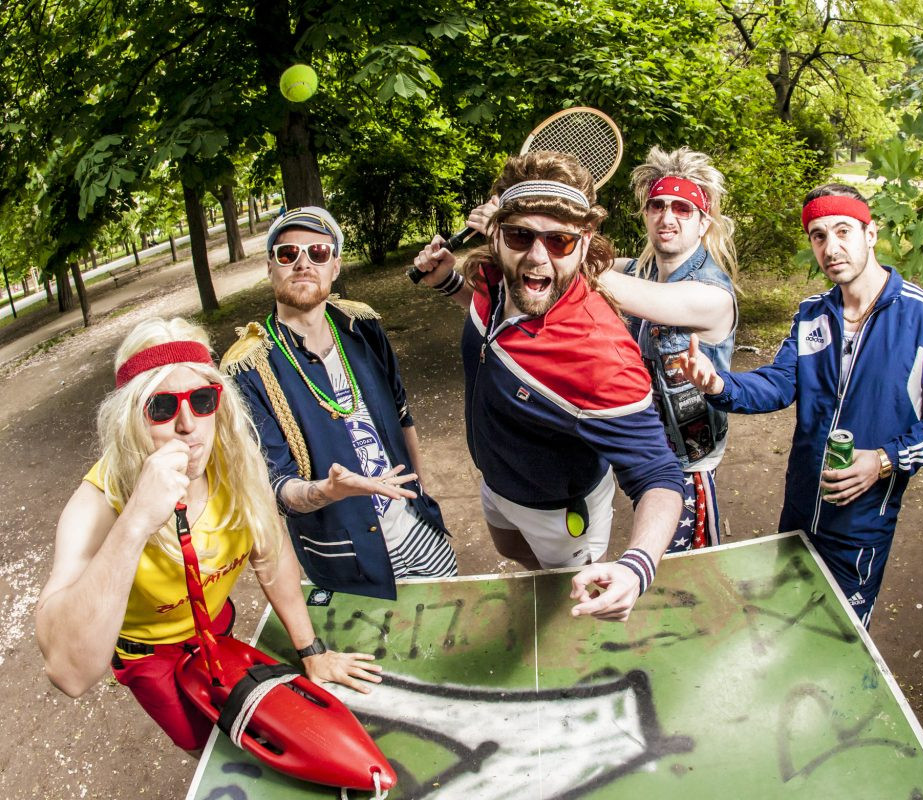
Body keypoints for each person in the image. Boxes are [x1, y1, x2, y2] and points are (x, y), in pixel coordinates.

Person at [36, 317, 382, 754]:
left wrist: (311, 650)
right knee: (204, 748)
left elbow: (271, 554)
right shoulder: (96, 505)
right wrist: (135, 521)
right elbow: (69, 673)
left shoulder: (235, 461)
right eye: (161, 407)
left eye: (202, 400)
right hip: (150, 654)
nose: (188, 425)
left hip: (217, 628)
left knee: (252, 739)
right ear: (129, 419)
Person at [679, 183, 923, 627]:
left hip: (861, 524)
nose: (831, 248)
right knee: (782, 624)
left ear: (870, 234)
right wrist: (719, 383)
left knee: (842, 637)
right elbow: (780, 383)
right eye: (818, 236)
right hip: (799, 512)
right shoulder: (812, 313)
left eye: (843, 231)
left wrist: (885, 460)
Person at [411, 150, 685, 622]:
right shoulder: (495, 277)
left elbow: (659, 475)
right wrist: (448, 282)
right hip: (498, 481)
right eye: (521, 236)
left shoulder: (600, 356)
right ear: (497, 235)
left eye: (559, 241)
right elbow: (496, 333)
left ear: (585, 242)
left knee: (566, 605)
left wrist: (637, 566)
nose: (537, 258)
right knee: (511, 549)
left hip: (559, 510)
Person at [225, 206, 455, 602]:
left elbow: (402, 415)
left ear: (335, 266)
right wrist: (329, 491)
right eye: (288, 254)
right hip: (348, 562)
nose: (303, 263)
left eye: (317, 253)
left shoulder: (362, 326)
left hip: (421, 534)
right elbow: (278, 487)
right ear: (270, 267)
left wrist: (421, 492)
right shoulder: (249, 369)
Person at [601, 146, 738, 552]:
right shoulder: (643, 271)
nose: (667, 217)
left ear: (703, 223)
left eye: (682, 209)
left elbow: (596, 277)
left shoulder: (710, 294)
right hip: (645, 450)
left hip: (687, 465)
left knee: (685, 573)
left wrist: (566, 251)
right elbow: (590, 262)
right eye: (657, 205)